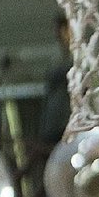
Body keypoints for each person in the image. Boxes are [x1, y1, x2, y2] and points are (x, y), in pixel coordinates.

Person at [38, 12, 72, 147]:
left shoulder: (83, 56)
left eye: (62, 30)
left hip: (73, 120)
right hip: (56, 122)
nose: (59, 34)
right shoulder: (55, 58)